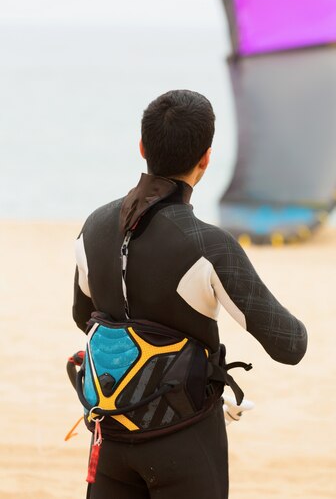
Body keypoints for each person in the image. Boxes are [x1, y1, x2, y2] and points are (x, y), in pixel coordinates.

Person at [72, 89, 308, 499]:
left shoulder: (93, 227)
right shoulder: (209, 245)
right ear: (206, 158)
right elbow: (290, 345)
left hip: (110, 433)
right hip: (184, 440)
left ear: (142, 146)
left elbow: (83, 316)